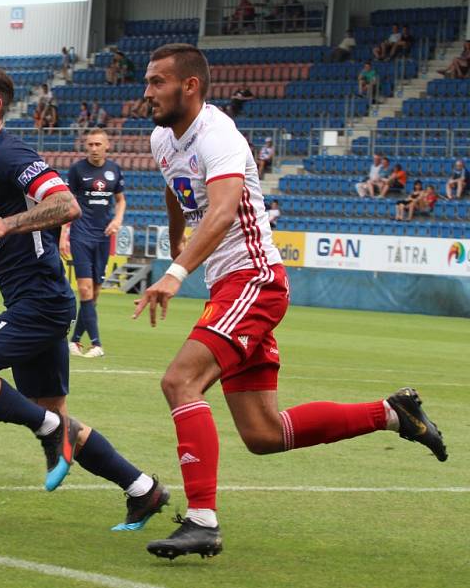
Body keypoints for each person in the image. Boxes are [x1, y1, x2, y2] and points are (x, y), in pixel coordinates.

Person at [134, 43, 447, 560]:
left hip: (254, 280)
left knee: (179, 381)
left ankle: (201, 521)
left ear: (189, 85)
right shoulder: (162, 138)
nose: (146, 93)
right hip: (229, 285)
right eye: (146, 82)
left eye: (156, 82)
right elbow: (176, 191)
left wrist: (174, 271)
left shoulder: (219, 134)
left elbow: (223, 207)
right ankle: (393, 414)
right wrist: (176, 248)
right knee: (262, 433)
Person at [0, 62, 169, 530]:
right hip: (34, 303)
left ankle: (51, 433)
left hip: (38, 302)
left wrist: (6, 223)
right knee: (55, 418)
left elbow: (67, 204)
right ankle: (143, 489)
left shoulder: (11, 155)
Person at [60, 129, 126, 358]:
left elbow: (120, 200)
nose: (94, 148)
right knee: (85, 289)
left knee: (94, 294)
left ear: (107, 146)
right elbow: (68, 203)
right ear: (85, 146)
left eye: (98, 144)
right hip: (81, 234)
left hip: (103, 237)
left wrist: (117, 220)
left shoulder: (114, 170)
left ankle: (75, 341)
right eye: (90, 144)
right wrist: (63, 234)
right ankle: (96, 344)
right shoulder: (77, 170)